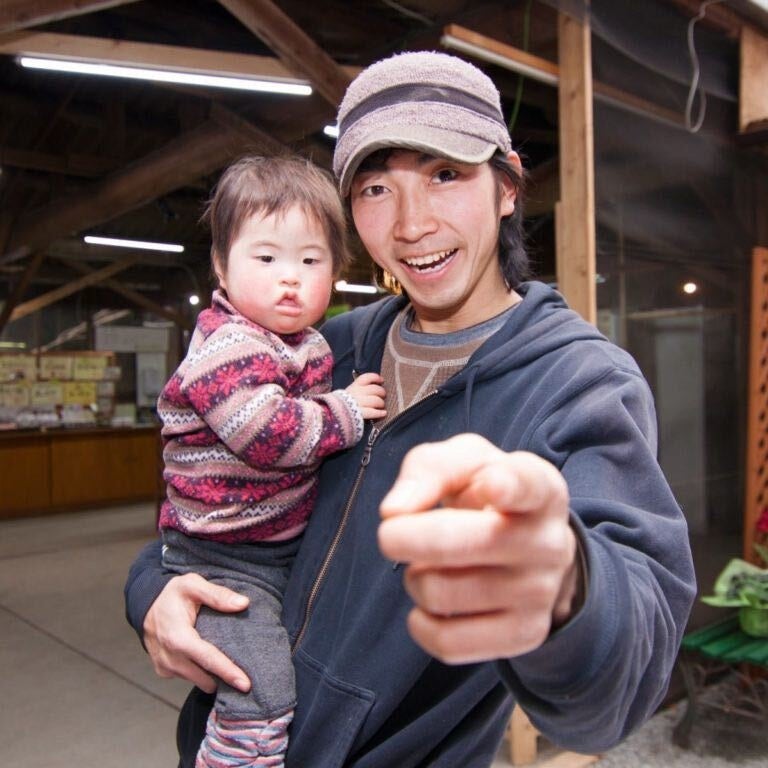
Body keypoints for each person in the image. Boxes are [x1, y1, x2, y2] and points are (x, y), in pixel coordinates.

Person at [126, 51, 696, 768]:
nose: (411, 224)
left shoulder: (579, 382)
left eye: (446, 174)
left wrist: (566, 589)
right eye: (374, 188)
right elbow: (215, 496)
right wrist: (152, 590)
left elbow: (625, 674)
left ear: (508, 184)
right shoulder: (327, 350)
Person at [155, 155, 386, 767]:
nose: (290, 278)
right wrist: (346, 410)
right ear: (220, 267)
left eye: (310, 260)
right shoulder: (229, 346)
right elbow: (269, 435)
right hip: (223, 561)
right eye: (266, 258)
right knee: (261, 695)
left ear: (336, 271)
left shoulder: (306, 343)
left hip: (273, 551)